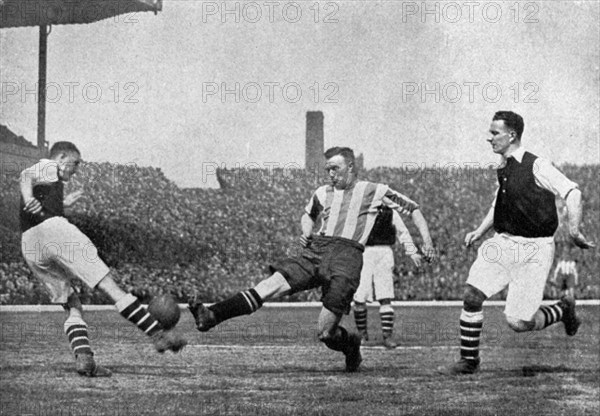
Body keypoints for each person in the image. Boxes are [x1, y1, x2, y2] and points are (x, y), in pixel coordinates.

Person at [189, 146, 437, 372]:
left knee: (326, 333)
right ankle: (212, 315)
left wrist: (425, 243)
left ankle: (351, 345)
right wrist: (306, 230)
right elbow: (308, 215)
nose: (330, 173)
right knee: (269, 285)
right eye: (327, 169)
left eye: (335, 168)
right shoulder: (322, 192)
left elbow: (413, 208)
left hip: (348, 256)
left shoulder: (375, 190)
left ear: (350, 167)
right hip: (317, 249)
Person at [440, 111, 595, 375]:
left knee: (519, 322)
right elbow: (498, 203)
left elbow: (572, 191)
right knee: (471, 295)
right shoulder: (503, 167)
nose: (489, 138)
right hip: (503, 243)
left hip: (535, 249)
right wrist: (479, 230)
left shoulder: (537, 165)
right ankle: (469, 360)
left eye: (494, 133)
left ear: (511, 135)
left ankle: (563, 308)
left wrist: (574, 229)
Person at [20, 141, 187, 377]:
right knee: (110, 287)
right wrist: (28, 198)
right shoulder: (48, 166)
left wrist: (63, 204)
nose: (76, 169)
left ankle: (84, 357)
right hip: (54, 231)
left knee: (71, 305)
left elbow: (42, 201)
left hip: (30, 243)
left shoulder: (51, 185)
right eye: (75, 163)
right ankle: (157, 335)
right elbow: (25, 176)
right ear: (61, 156)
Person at [353, 206, 422, 349]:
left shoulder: (390, 212)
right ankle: (362, 335)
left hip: (384, 252)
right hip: (362, 252)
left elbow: (403, 232)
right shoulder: (358, 209)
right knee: (360, 295)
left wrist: (412, 251)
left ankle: (387, 336)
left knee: (385, 295)